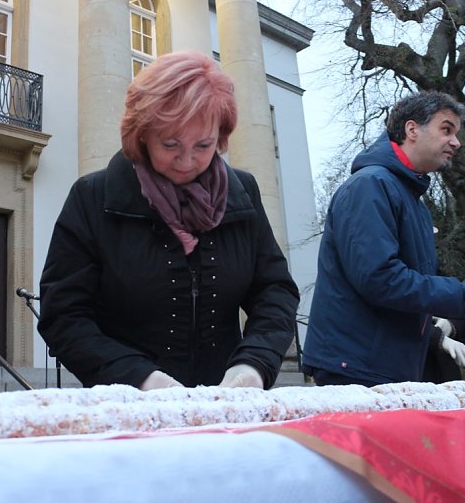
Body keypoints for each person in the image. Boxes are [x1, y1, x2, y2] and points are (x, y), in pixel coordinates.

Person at [38, 50, 299, 390]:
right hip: (130, 406)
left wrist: (253, 364)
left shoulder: (242, 192)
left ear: (220, 137)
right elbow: (64, 315)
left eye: (203, 145)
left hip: (224, 404)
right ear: (141, 134)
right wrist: (139, 378)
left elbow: (274, 290)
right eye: (170, 143)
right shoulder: (93, 197)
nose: (187, 160)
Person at [301, 91, 465, 386]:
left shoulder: (410, 199)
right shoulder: (370, 186)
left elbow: (418, 277)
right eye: (446, 129)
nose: (456, 142)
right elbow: (380, 279)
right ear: (412, 130)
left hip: (384, 362)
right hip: (357, 367)